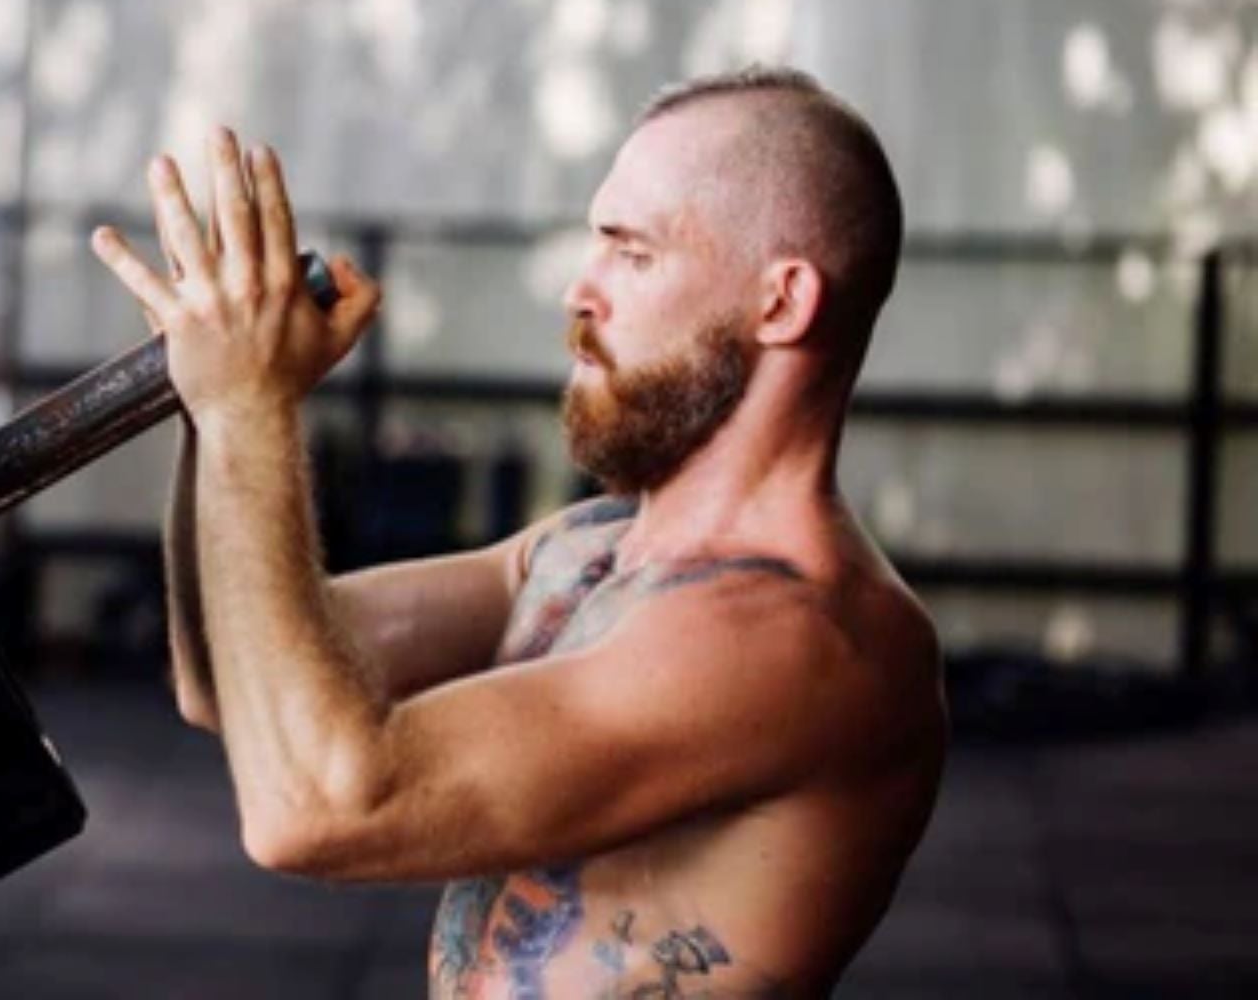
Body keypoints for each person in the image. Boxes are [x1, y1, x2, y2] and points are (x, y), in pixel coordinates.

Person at [90, 66, 948, 999]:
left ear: (780, 303)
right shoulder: (587, 547)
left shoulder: (799, 639)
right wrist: (206, 395)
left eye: (634, 252)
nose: (580, 291)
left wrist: (248, 412)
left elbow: (317, 805)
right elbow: (227, 671)